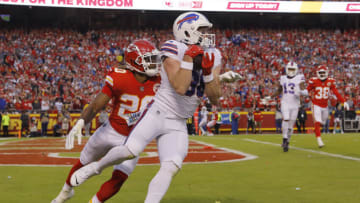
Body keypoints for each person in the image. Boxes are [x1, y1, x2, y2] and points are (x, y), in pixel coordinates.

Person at [69, 11, 241, 203]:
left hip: (178, 121)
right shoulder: (172, 47)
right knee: (130, 150)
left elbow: (215, 98)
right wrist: (188, 59)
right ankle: (95, 168)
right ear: (187, 31)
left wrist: (210, 75)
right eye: (202, 30)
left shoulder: (214, 54)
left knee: (171, 166)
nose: (207, 34)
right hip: (159, 111)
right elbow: (180, 86)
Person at [51, 39, 162, 203]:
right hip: (110, 131)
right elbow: (96, 105)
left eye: (153, 59)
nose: (153, 64)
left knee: (119, 179)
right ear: (134, 62)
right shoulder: (119, 77)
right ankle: (65, 192)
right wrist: (81, 122)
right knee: (83, 162)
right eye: (148, 60)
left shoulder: (159, 80)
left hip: (133, 139)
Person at [267, 61, 307, 152]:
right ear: (286, 69)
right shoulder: (283, 78)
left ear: (296, 70)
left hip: (295, 103)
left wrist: (300, 92)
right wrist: (270, 97)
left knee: (290, 125)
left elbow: (303, 89)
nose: (291, 71)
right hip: (285, 102)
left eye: (293, 69)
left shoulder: (299, 78)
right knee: (286, 119)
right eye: (290, 69)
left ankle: (287, 141)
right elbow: (279, 90)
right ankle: (284, 139)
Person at [307, 65, 349, 147]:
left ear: (326, 73)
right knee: (318, 121)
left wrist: (344, 102)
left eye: (323, 73)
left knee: (323, 121)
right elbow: (307, 90)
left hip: (325, 106)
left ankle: (317, 130)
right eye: (320, 73)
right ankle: (319, 139)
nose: (322, 74)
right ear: (317, 73)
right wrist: (308, 95)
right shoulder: (314, 81)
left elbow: (336, 92)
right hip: (316, 104)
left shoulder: (330, 81)